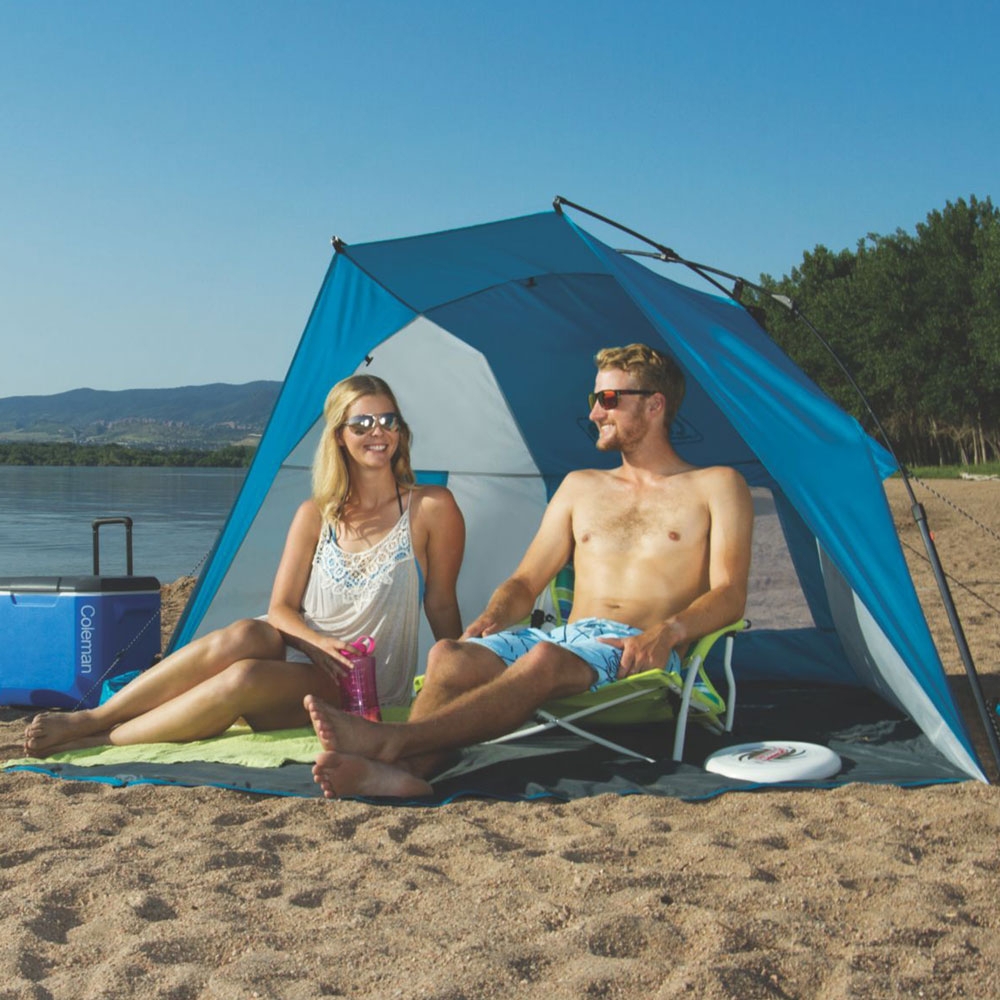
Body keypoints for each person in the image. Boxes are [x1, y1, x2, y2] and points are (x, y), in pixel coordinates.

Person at [305, 343, 754, 798]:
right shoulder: (580, 487)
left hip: (634, 646)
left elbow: (730, 593)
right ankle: (406, 773)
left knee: (542, 660)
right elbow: (525, 582)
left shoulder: (716, 486)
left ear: (655, 403)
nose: (596, 413)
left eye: (609, 399)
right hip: (562, 640)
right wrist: (494, 616)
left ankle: (391, 743)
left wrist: (668, 633)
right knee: (448, 654)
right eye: (594, 400)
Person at [24, 375, 465, 756]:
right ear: (339, 436)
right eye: (362, 423)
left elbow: (441, 602)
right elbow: (281, 609)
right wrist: (314, 643)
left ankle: (105, 742)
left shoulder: (431, 507)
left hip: (362, 680)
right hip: (307, 648)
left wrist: (458, 677)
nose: (378, 432)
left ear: (401, 432)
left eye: (388, 420)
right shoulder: (316, 514)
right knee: (246, 633)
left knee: (247, 675)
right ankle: (95, 717)